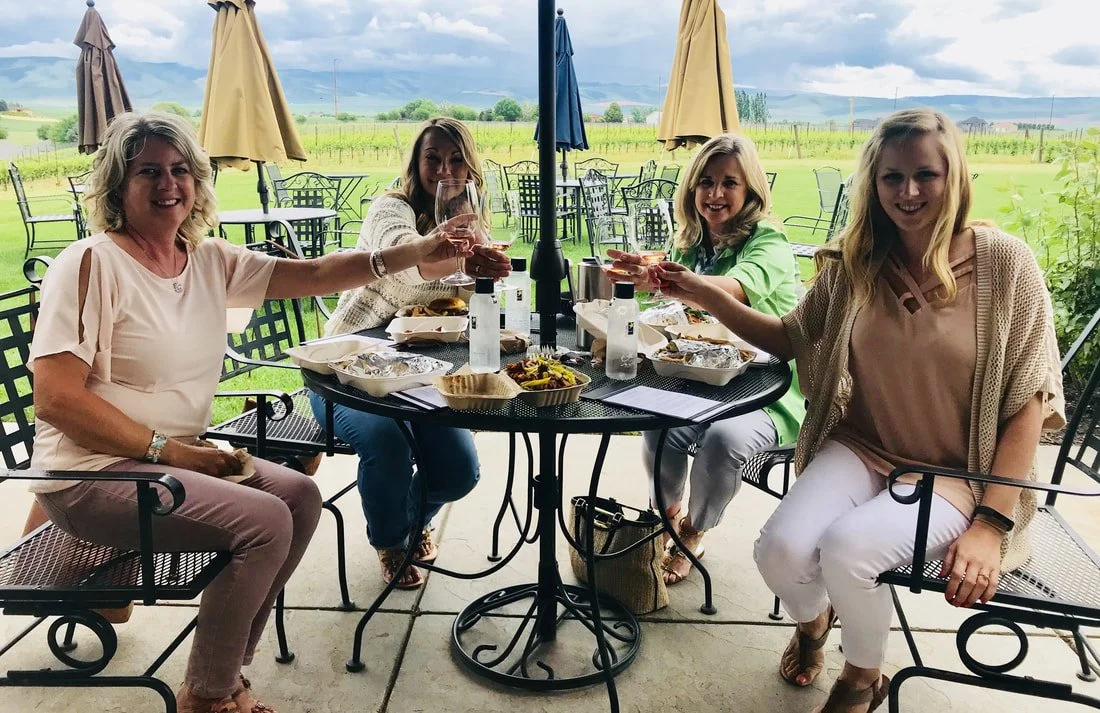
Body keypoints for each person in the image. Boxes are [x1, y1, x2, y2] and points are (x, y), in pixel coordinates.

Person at [28, 111, 468, 713]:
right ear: (116, 186)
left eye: (181, 170)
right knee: (264, 522)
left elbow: (314, 274)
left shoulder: (206, 260)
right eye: (148, 171)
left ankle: (223, 672)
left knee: (300, 499)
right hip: (96, 475)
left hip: (169, 467)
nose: (168, 185)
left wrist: (419, 250)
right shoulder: (90, 263)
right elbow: (56, 398)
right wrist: (176, 453)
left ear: (198, 182)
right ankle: (208, 698)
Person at [658, 108, 1064, 712]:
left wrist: (990, 525)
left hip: (956, 472)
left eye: (925, 174)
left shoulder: (1005, 265)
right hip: (862, 445)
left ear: (954, 176)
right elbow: (790, 337)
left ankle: (860, 678)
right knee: (780, 551)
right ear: (872, 183)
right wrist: (699, 290)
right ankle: (814, 622)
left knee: (849, 549)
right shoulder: (856, 261)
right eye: (891, 177)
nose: (909, 192)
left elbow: (1030, 398)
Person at [308, 117, 511, 589]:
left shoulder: (471, 224)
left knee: (460, 469)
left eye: (456, 159)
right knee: (387, 442)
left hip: (420, 373)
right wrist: (458, 254)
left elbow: (469, 304)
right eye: (432, 158)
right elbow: (400, 264)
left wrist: (486, 277)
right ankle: (392, 541)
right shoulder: (390, 208)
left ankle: (414, 516)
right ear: (415, 164)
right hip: (343, 369)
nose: (444, 169)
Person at [607, 133, 805, 585]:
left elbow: (737, 286)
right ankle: (669, 521)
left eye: (729, 183)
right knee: (660, 427)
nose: (715, 194)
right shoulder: (690, 243)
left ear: (750, 191)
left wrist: (673, 282)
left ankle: (695, 532)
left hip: (765, 389)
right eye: (706, 182)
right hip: (699, 379)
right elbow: (675, 313)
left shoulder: (767, 240)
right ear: (692, 188)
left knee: (724, 441)